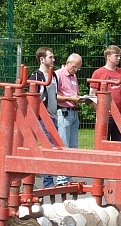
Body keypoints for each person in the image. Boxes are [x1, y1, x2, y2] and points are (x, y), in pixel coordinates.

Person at [28, 47, 59, 188]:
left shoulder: (54, 76)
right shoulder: (36, 76)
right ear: (42, 59)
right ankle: (47, 183)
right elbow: (33, 98)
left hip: (53, 116)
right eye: (50, 57)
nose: (53, 59)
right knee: (48, 148)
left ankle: (50, 181)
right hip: (42, 117)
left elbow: (54, 96)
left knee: (54, 148)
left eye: (53, 57)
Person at [89, 45, 121, 141]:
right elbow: (92, 95)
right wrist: (100, 112)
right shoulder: (98, 73)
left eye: (119, 56)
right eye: (116, 56)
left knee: (120, 146)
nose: (119, 58)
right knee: (103, 143)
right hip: (106, 116)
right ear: (108, 57)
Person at [55, 53, 83, 186]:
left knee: (73, 147)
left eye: (78, 68)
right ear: (67, 63)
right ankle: (62, 179)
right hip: (63, 113)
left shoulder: (74, 76)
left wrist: (78, 98)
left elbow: (73, 94)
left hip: (73, 113)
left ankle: (68, 177)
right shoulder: (58, 75)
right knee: (63, 146)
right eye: (74, 67)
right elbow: (53, 96)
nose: (76, 70)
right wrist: (70, 99)